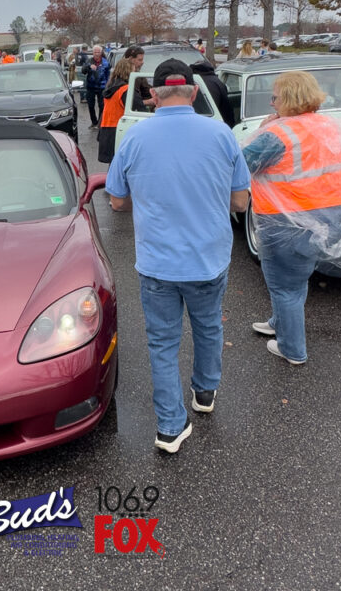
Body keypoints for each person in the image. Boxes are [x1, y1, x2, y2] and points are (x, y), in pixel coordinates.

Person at [106, 59, 251, 454]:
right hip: (208, 259)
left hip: (157, 263)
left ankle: (170, 427)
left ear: (153, 95)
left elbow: (116, 201)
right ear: (194, 92)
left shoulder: (134, 137)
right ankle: (204, 392)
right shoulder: (221, 134)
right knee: (208, 326)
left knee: (162, 343)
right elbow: (240, 201)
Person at [241, 70, 341, 365]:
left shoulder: (277, 135)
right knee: (296, 278)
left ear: (288, 98)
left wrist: (263, 130)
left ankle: (292, 349)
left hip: (287, 222)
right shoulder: (330, 127)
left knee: (284, 286)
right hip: (331, 218)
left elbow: (239, 166)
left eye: (275, 97)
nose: (272, 103)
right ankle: (279, 322)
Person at [98, 46, 145, 163]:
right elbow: (139, 109)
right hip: (119, 130)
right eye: (133, 69)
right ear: (128, 71)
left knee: (114, 165)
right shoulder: (126, 89)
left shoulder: (112, 86)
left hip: (106, 129)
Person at [82, 45, 110, 129]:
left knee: (102, 105)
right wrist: (89, 67)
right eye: (95, 52)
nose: (97, 54)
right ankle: (94, 122)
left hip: (102, 87)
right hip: (91, 86)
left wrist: (108, 85)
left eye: (98, 52)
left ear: (101, 53)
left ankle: (100, 123)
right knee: (91, 105)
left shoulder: (105, 62)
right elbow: (83, 71)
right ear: (93, 53)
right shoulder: (89, 61)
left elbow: (108, 75)